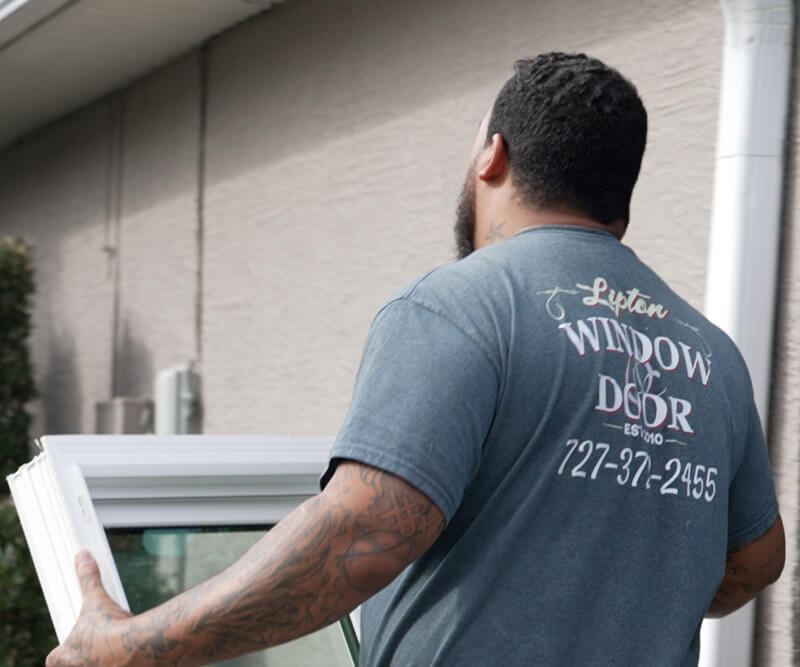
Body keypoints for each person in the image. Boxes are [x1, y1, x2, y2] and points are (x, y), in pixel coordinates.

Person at [47, 53, 784, 667]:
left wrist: (132, 644)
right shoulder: (710, 356)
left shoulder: (463, 306)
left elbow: (361, 535)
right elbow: (756, 559)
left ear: (492, 154)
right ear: (619, 196)